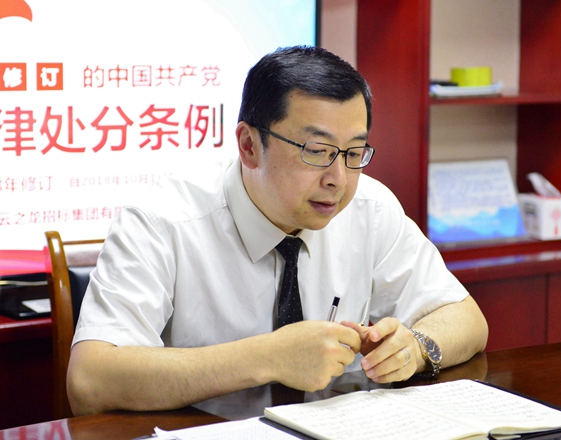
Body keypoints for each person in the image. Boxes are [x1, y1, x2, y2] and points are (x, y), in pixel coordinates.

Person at [67, 45, 488, 416]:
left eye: (355, 152)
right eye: (316, 151)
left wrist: (417, 347)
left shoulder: (370, 209)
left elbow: (466, 319)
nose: (339, 179)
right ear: (249, 146)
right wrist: (268, 357)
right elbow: (90, 381)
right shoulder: (161, 221)